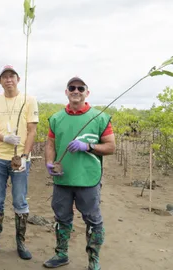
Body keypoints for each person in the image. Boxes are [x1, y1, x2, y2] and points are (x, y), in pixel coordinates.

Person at [43, 77, 115, 270]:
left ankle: (93, 261)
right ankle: (61, 254)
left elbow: (111, 147)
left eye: (80, 88)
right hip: (62, 178)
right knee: (61, 218)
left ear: (87, 93)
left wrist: (88, 146)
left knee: (92, 220)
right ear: (66, 92)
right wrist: (49, 162)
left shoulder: (100, 118)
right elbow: (50, 143)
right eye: (72, 88)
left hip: (88, 179)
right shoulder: (56, 118)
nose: (76, 91)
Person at [0, 65, 38, 259]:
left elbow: (32, 130)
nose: (8, 80)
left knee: (20, 201)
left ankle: (21, 243)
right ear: (0, 81)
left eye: (11, 76)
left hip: (20, 159)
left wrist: (25, 156)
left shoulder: (29, 100)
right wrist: (3, 138)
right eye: (4, 77)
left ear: (18, 79)